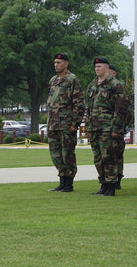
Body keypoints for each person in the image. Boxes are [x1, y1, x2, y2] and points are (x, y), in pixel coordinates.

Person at [85, 57, 129, 197]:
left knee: (109, 157)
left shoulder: (115, 85)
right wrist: (87, 126)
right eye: (95, 66)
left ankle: (111, 185)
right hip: (95, 127)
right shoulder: (92, 85)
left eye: (100, 66)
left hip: (108, 127)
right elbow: (89, 108)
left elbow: (121, 108)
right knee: (98, 158)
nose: (97, 69)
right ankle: (103, 184)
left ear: (107, 68)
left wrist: (117, 128)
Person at [46, 53, 85, 192]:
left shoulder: (72, 80)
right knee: (56, 155)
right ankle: (62, 181)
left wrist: (75, 123)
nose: (56, 65)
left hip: (66, 124)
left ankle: (69, 183)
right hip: (53, 124)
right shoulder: (53, 81)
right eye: (55, 62)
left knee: (67, 154)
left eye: (59, 62)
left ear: (66, 64)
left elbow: (78, 103)